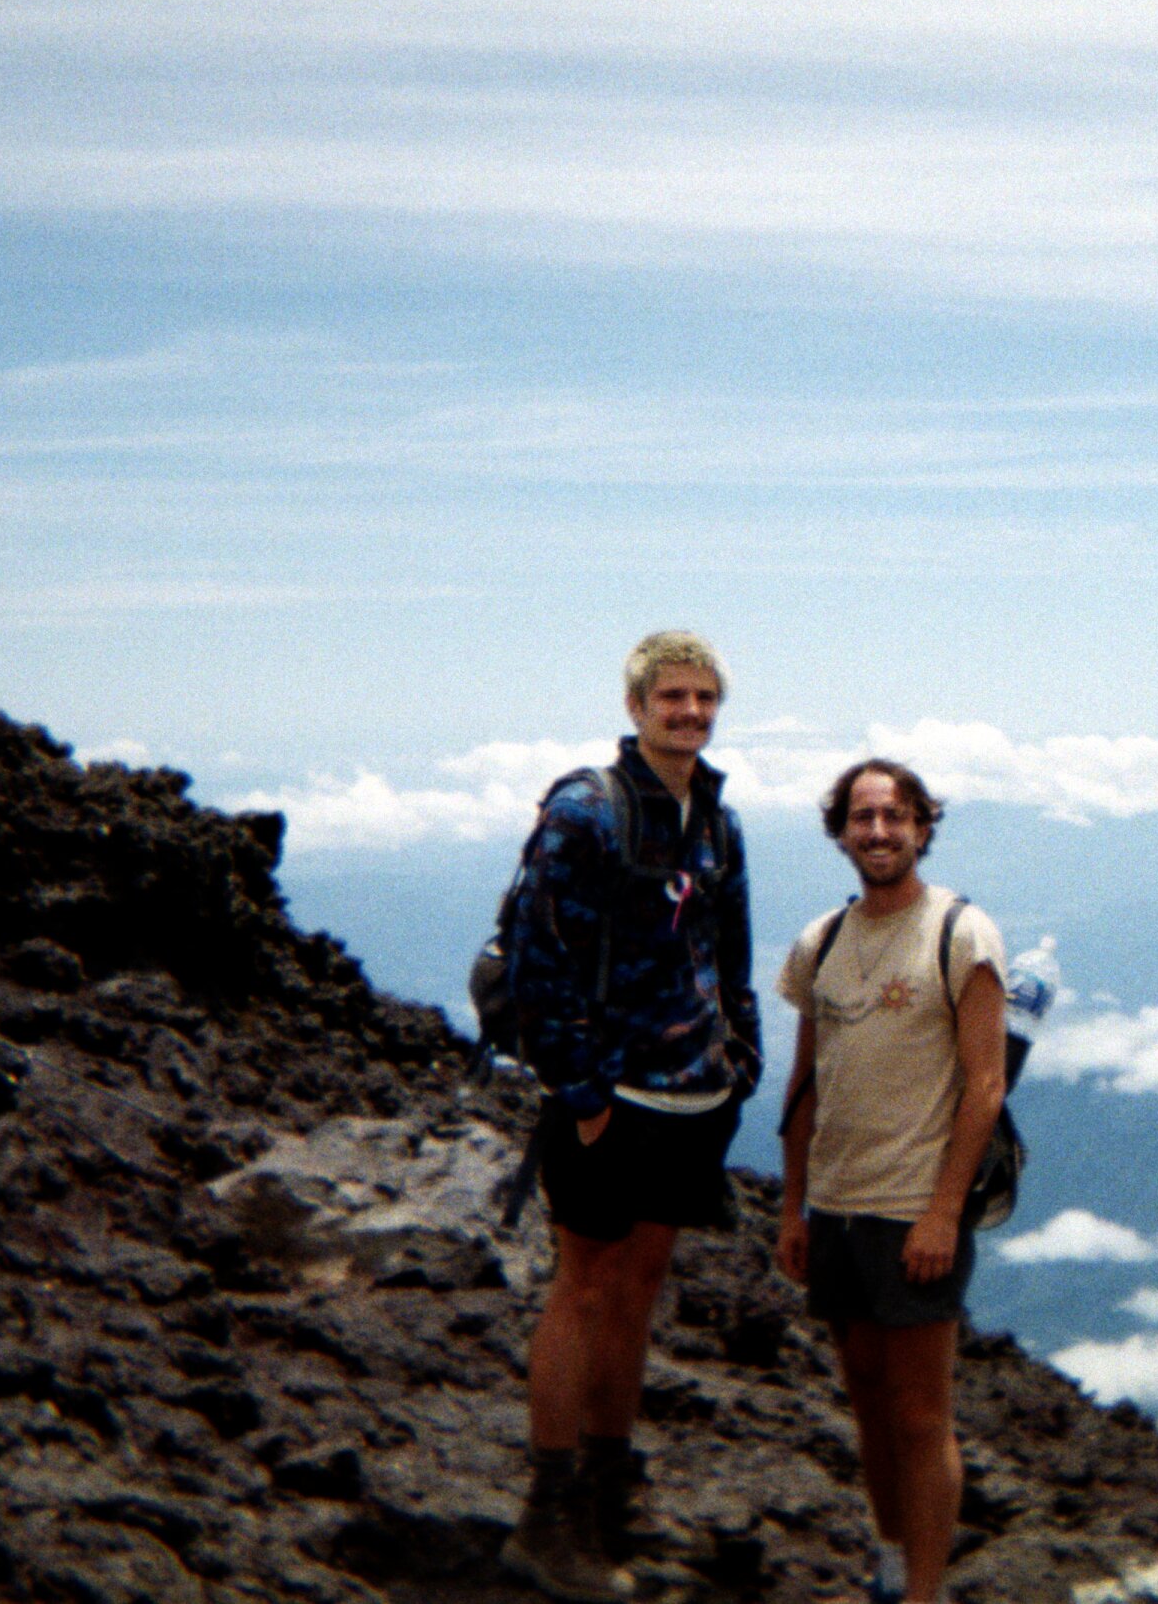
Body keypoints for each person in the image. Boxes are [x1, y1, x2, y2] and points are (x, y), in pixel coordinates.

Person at [499, 632, 761, 1604]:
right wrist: (583, 1099)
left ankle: (611, 1493)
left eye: (703, 697)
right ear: (637, 702)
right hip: (614, 1099)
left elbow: (728, 948)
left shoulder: (715, 819)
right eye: (671, 696)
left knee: (639, 1286)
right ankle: (546, 1517)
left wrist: (744, 1059)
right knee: (583, 1287)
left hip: (696, 1095)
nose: (689, 711)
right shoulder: (585, 812)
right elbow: (539, 961)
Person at [775, 759, 1009, 1604]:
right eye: (863, 817)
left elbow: (985, 1084)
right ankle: (889, 1556)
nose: (879, 831)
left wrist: (943, 1213)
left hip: (914, 1209)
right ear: (841, 831)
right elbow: (804, 1083)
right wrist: (792, 1204)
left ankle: (925, 1593)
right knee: (869, 1403)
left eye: (896, 816)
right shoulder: (820, 943)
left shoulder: (962, 933)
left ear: (922, 826)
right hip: (836, 1207)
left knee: (920, 1415)